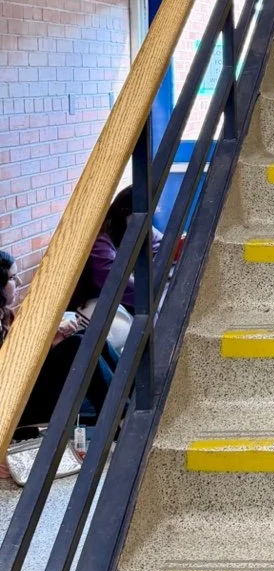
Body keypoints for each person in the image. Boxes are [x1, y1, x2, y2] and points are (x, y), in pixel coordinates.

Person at [0, 249, 114, 440]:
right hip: (11, 405)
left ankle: (128, 398)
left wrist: (54, 339)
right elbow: (10, 374)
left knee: (90, 335)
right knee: (76, 344)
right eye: (12, 278)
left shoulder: (6, 314)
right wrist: (52, 344)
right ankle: (117, 414)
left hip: (24, 388)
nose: (19, 283)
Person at [69, 186, 161, 315]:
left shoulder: (138, 227)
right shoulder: (101, 239)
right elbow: (113, 281)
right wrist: (154, 291)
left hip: (124, 295)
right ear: (125, 213)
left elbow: (159, 246)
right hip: (94, 301)